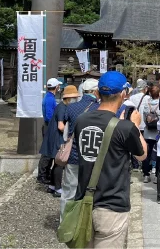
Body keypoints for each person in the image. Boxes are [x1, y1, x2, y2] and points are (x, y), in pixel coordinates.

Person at [74, 71, 147, 248]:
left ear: (97, 94)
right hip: (113, 205)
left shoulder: (81, 120)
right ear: (124, 94)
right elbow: (142, 154)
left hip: (84, 201)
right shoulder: (125, 128)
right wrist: (135, 126)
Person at [59, 78, 100, 221]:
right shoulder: (100, 109)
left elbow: (65, 129)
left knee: (69, 190)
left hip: (74, 154)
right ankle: (85, 222)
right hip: (93, 156)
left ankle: (65, 222)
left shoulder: (71, 107)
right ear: (96, 91)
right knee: (91, 191)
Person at [41, 85, 80, 196]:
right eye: (74, 97)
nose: (75, 99)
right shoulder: (63, 108)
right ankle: (58, 188)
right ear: (69, 98)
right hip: (58, 137)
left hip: (53, 136)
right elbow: (61, 126)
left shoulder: (61, 106)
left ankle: (52, 185)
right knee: (60, 163)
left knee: (56, 162)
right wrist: (70, 135)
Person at [37, 78, 61, 186]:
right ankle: (42, 176)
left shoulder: (48, 97)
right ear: (56, 87)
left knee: (49, 151)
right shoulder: (50, 99)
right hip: (49, 126)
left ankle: (45, 174)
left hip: (48, 126)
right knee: (47, 152)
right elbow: (49, 116)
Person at [140, 84, 160, 183]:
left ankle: (146, 174)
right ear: (159, 93)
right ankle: (157, 175)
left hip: (148, 132)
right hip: (158, 133)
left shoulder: (146, 104)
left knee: (147, 154)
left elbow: (145, 118)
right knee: (158, 154)